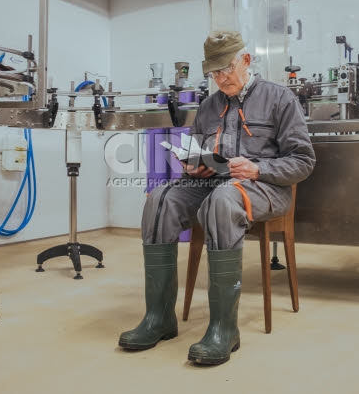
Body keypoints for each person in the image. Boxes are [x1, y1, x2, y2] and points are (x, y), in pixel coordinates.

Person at [118, 30, 316, 365]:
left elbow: (303, 162)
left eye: (226, 69)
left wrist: (256, 168)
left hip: (266, 189)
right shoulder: (209, 107)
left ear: (246, 61)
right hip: (214, 186)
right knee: (160, 199)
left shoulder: (280, 99)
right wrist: (196, 166)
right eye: (214, 72)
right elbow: (196, 153)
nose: (221, 78)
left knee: (223, 200)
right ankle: (159, 317)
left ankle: (224, 329)